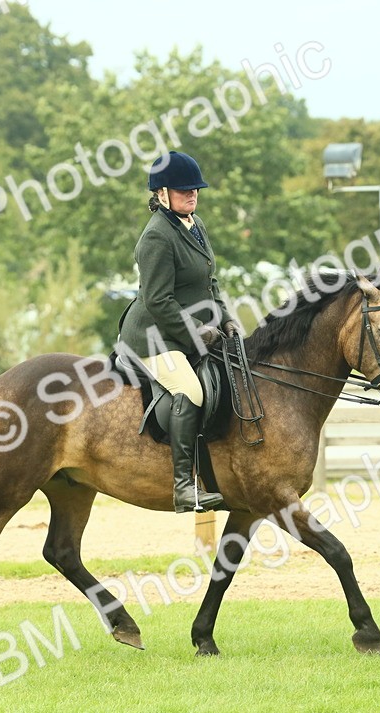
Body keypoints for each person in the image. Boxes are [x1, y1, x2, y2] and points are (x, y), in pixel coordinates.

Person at [117, 150, 241, 513]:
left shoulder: (194, 224)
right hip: (154, 335)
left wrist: (226, 317)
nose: (192, 194)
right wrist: (194, 334)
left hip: (191, 327)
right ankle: (185, 487)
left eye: (195, 189)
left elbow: (209, 281)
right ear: (161, 194)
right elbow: (158, 300)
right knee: (191, 389)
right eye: (183, 190)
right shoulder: (156, 237)